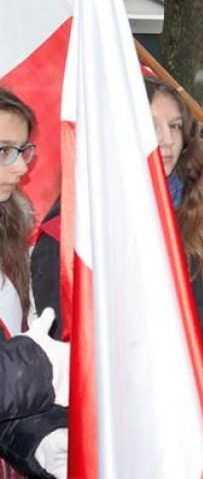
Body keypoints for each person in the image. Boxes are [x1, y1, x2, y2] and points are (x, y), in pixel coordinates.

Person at [144, 77, 203, 467]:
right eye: (151, 126)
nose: (166, 140)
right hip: (136, 410)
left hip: (189, 406)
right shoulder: (87, 220)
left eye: (175, 126)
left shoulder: (190, 210)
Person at [0, 88, 68, 478]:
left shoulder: (9, 234)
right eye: (5, 150)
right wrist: (38, 363)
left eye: (23, 150)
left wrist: (37, 440)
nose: (22, 167)